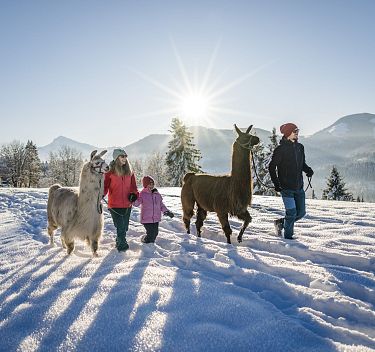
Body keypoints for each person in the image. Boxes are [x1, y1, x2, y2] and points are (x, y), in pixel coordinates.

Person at [268, 123, 314, 239]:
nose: (297, 132)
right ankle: (289, 238)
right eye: (295, 131)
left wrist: (308, 170)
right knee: (291, 213)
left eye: (297, 130)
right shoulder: (280, 150)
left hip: (299, 187)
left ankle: (280, 223)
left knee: (301, 213)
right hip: (286, 188)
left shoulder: (300, 147)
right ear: (288, 133)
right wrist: (276, 183)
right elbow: (272, 167)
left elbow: (302, 164)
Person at [103, 148, 138, 251]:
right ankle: (122, 247)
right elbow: (105, 186)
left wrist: (134, 194)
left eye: (125, 156)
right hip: (114, 204)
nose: (125, 158)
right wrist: (101, 194)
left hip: (127, 204)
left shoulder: (130, 171)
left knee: (124, 227)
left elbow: (134, 186)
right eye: (122, 156)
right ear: (116, 158)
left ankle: (119, 240)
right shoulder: (110, 171)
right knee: (120, 226)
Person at [133, 175, 174, 244]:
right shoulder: (142, 194)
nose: (151, 186)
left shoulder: (157, 194)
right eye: (150, 184)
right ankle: (146, 241)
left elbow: (161, 205)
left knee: (155, 233)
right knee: (151, 234)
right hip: (146, 218)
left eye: (152, 184)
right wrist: (133, 199)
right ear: (145, 185)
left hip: (156, 218)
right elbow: (136, 203)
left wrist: (166, 211)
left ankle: (150, 243)